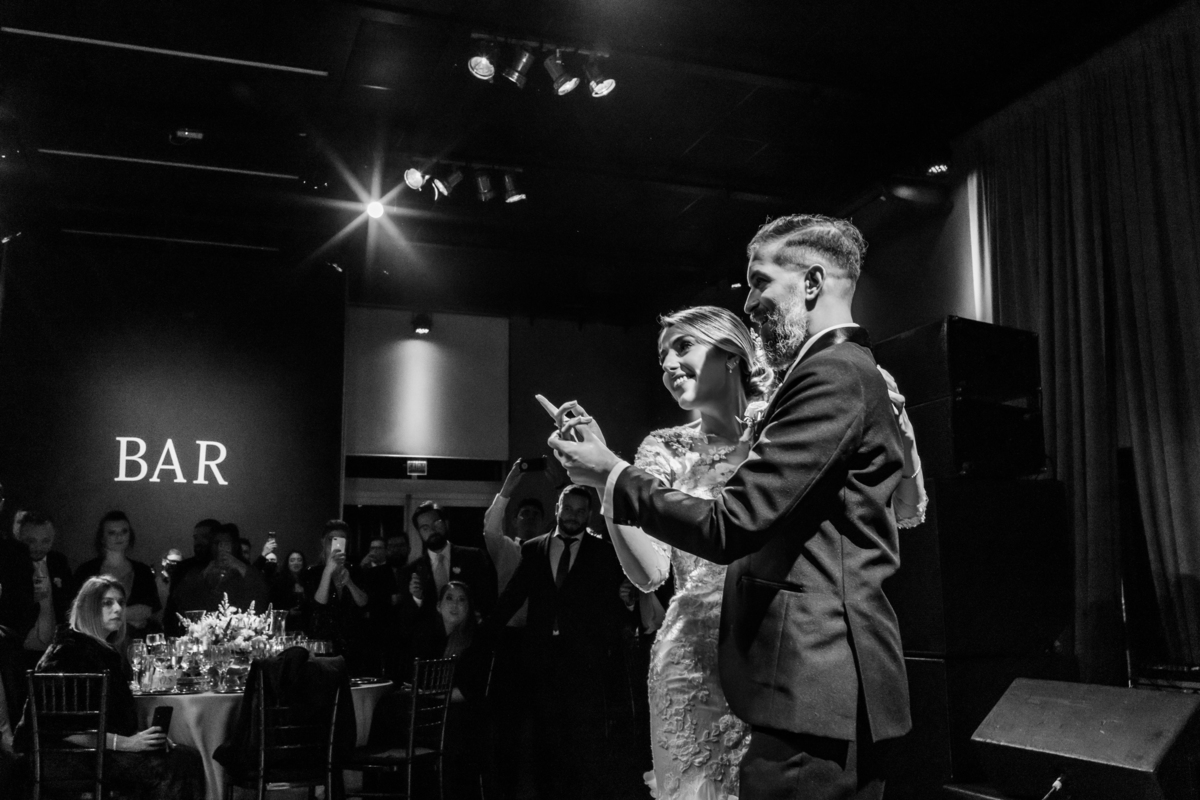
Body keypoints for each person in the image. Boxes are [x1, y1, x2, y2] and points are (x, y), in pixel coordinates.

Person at [550, 214, 924, 800]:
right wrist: (609, 481)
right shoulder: (831, 377)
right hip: (753, 667)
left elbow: (734, 524)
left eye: (759, 282)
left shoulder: (830, 377)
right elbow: (655, 570)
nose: (748, 302)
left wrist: (612, 474)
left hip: (808, 673)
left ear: (812, 282)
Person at [488, 485, 631, 800]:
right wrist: (485, 634)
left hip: (584, 666)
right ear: (557, 509)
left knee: (582, 746)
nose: (573, 516)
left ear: (589, 515)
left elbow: (613, 608)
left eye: (581, 511)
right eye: (568, 509)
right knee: (543, 743)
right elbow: (513, 596)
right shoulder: (534, 549)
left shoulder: (604, 553)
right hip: (540, 662)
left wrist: (603, 650)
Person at [16, 575, 205, 799]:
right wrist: (126, 743)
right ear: (87, 607)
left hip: (95, 750)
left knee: (185, 757)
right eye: (107, 603)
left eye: (121, 603)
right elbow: (62, 729)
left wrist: (143, 739)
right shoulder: (68, 652)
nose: (117, 609)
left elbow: (113, 720)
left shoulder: (100, 651)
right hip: (63, 756)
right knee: (172, 767)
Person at [74, 511, 160, 638]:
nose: (119, 536)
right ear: (102, 538)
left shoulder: (143, 571)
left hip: (136, 642)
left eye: (124, 531)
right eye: (112, 533)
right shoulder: (87, 571)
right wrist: (129, 617)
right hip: (96, 641)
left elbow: (147, 610)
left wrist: (107, 615)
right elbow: (82, 611)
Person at [302, 521, 371, 672]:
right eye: (331, 539)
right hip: (323, 643)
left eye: (341, 540)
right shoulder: (312, 572)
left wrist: (349, 582)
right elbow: (318, 605)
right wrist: (327, 572)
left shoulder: (355, 570)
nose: (336, 544)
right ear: (323, 541)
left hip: (352, 640)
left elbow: (364, 602)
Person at [15, 512, 74, 676]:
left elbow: (69, 600)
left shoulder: (58, 561)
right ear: (19, 537)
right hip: (19, 649)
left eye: (45, 541)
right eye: (31, 541)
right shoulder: (10, 565)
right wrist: (28, 599)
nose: (38, 546)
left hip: (54, 651)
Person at [170, 523, 270, 614]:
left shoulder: (246, 569)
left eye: (226, 543)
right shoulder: (197, 569)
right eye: (217, 543)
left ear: (235, 545)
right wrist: (204, 574)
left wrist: (239, 566)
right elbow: (180, 600)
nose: (220, 548)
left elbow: (262, 595)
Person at [268, 549, 311, 634]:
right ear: (287, 563)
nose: (296, 563)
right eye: (292, 560)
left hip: (305, 624)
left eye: (299, 560)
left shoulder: (308, 581)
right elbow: (274, 605)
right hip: (286, 625)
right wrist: (288, 612)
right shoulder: (279, 582)